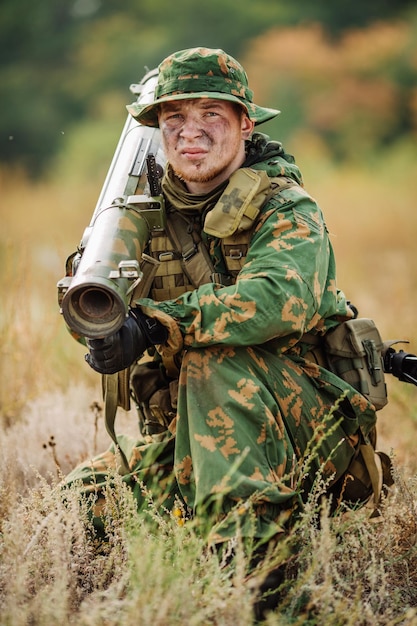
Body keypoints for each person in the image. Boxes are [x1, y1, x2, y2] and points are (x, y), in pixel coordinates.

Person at [64, 47, 381, 615]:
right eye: (175, 119)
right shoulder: (138, 217)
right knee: (79, 505)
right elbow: (97, 305)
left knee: (216, 361)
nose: (192, 132)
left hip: (309, 434)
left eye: (212, 114)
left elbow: (276, 303)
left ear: (245, 122)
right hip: (192, 434)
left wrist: (158, 325)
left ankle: (262, 584)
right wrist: (107, 334)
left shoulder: (286, 208)